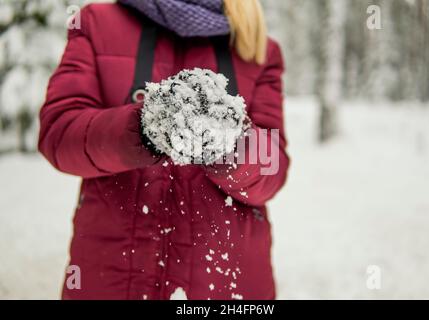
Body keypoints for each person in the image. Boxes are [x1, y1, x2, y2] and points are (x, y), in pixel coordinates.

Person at [39, 0, 289, 300]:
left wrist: (230, 145)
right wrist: (143, 128)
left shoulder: (259, 47)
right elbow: (59, 133)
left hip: (227, 286)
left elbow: (272, 169)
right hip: (111, 278)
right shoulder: (95, 22)